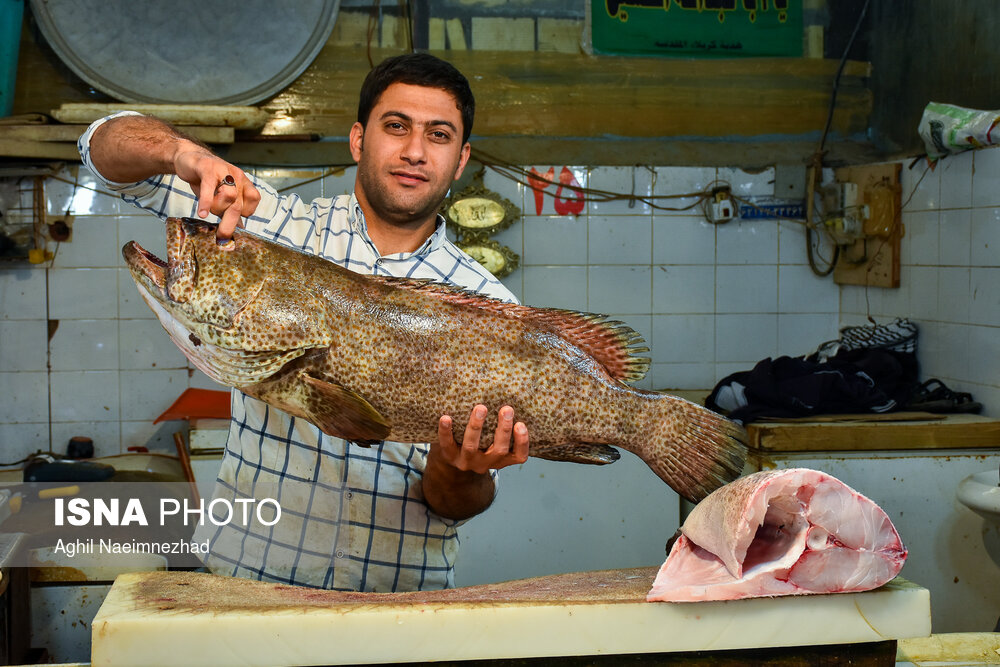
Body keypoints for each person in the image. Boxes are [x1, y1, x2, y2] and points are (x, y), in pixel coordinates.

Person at [79, 53, 530, 592]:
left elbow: (455, 505)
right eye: (396, 127)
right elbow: (98, 147)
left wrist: (461, 470)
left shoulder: (489, 308)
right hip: (241, 586)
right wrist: (184, 154)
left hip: (396, 608)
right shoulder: (260, 226)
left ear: (461, 160)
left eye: (438, 134)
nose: (414, 151)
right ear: (359, 140)